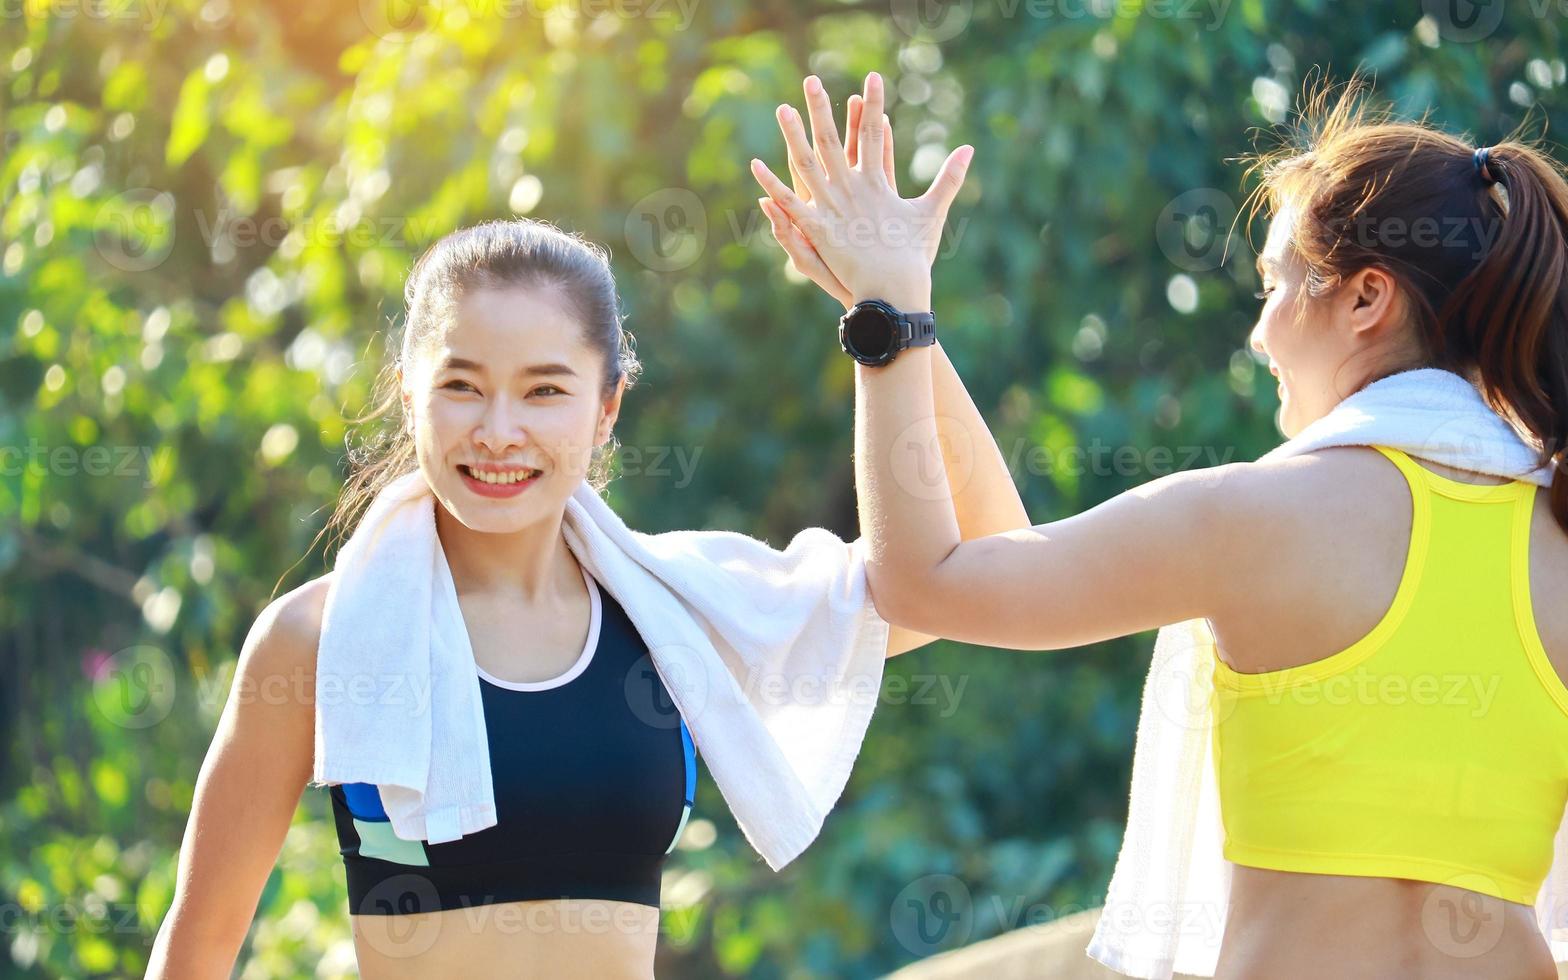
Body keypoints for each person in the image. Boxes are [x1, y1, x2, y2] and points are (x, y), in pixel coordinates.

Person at [753, 70, 1568, 978]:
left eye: (1275, 284)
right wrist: (901, 319)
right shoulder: (1558, 539)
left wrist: (888, 315)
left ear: (1366, 300)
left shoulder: (1253, 518)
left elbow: (930, 581)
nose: (1259, 335)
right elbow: (981, 552)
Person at [144, 215, 1026, 978]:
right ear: (409, 393)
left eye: (544, 391)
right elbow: (201, 943)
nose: (498, 431)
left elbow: (985, 564)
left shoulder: (679, 611)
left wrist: (893, 314)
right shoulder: (321, 638)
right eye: (461, 386)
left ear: (607, 408)